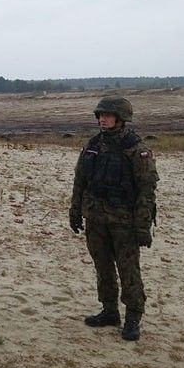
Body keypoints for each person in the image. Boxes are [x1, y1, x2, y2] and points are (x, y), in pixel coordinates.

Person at [69, 96, 158, 341]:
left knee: (129, 270)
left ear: (121, 118)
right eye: (100, 115)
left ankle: (132, 318)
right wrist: (75, 211)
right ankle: (109, 311)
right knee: (103, 268)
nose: (103, 119)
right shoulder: (93, 144)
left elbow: (146, 190)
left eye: (107, 115)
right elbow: (80, 181)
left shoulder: (135, 149)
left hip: (124, 222)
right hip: (96, 218)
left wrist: (142, 225)